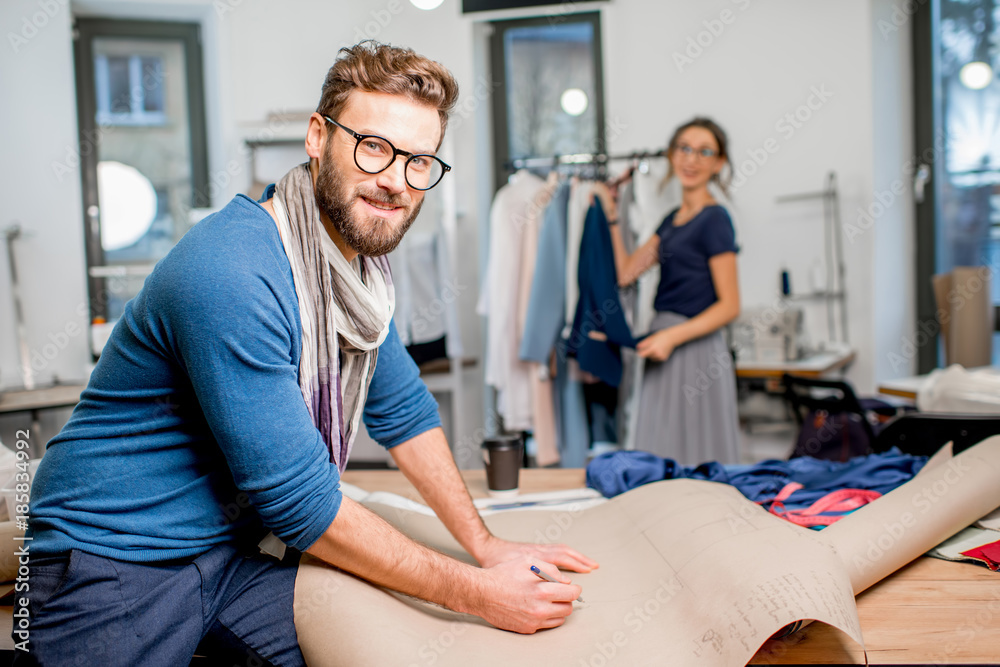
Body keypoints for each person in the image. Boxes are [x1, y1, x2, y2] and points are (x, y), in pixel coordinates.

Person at [18, 41, 597, 666]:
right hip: (110, 558)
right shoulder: (232, 270)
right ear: (318, 137)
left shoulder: (358, 275)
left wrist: (485, 546)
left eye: (419, 161)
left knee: (390, 647)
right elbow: (301, 506)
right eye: (374, 147)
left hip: (231, 557)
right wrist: (479, 593)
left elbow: (401, 410)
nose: (395, 182)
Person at [595, 117, 741, 465]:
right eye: (685, 149)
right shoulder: (671, 220)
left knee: (699, 457)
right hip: (663, 344)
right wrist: (613, 216)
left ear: (719, 162)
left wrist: (673, 337)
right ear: (673, 155)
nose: (692, 159)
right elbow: (627, 273)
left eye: (705, 152)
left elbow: (730, 306)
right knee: (660, 453)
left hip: (696, 347)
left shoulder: (715, 219)